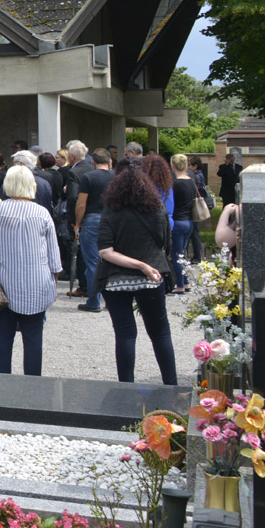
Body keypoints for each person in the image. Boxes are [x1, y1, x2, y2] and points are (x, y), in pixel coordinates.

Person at [95, 167, 178, 385]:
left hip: (115, 279)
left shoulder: (110, 212)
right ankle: (171, 384)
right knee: (160, 333)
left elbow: (105, 251)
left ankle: (126, 387)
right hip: (152, 277)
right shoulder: (158, 210)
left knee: (125, 334)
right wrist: (143, 264)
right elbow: (165, 243)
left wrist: (137, 264)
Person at [0, 166, 62, 376]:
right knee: (33, 339)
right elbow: (54, 255)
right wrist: (55, 281)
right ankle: (32, 387)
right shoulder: (42, 213)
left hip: (2, 284)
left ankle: (3, 388)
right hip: (37, 283)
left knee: (2, 341)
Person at [74, 148, 115, 312]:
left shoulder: (88, 177)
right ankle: (111, 300)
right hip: (113, 219)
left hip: (92, 219)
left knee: (92, 262)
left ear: (93, 162)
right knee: (112, 260)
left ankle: (94, 301)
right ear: (109, 161)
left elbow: (81, 203)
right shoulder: (117, 176)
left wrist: (78, 223)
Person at [64, 141, 94, 296]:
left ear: (72, 156)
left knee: (80, 251)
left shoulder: (73, 173)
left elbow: (74, 197)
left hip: (80, 216)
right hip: (96, 213)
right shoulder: (92, 168)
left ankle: (84, 286)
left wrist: (76, 220)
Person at [167, 154, 198, 294]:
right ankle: (185, 282)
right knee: (182, 254)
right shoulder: (191, 181)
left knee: (176, 255)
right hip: (189, 221)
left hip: (178, 221)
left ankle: (179, 285)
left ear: (173, 166)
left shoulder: (173, 183)